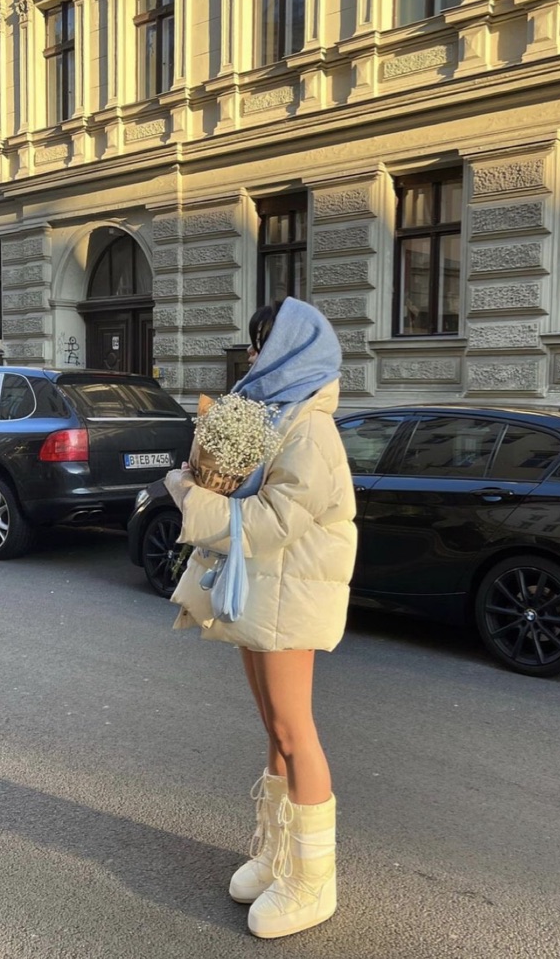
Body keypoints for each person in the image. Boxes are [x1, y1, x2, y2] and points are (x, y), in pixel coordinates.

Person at [165, 297, 357, 939]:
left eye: (263, 342)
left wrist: (190, 497)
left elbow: (276, 520)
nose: (252, 355)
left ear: (294, 349)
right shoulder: (274, 415)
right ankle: (280, 856)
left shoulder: (310, 428)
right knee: (276, 732)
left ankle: (313, 880)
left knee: (294, 731)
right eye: (253, 342)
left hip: (290, 594)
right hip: (264, 591)